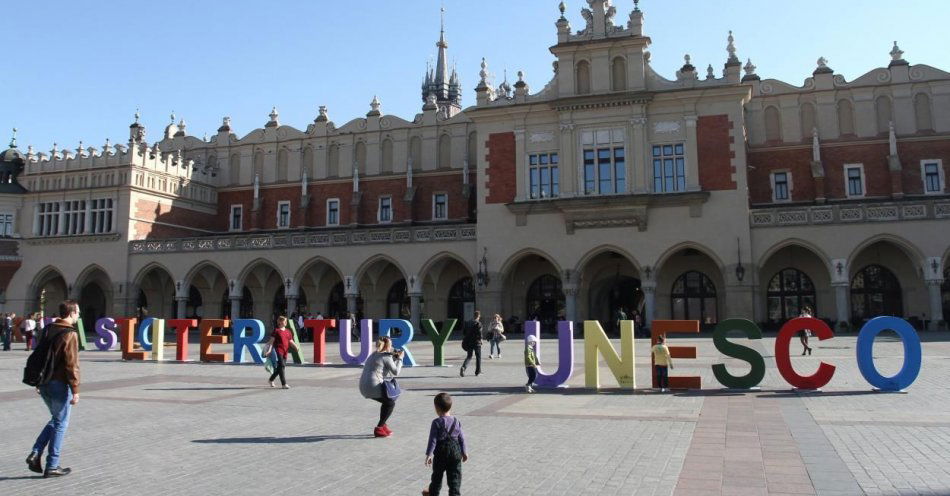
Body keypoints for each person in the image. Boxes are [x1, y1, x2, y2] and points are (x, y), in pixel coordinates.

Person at [27, 300, 81, 478]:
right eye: (78, 312)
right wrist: (76, 389)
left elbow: (40, 355)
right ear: (71, 313)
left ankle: (36, 452)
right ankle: (52, 465)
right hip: (58, 383)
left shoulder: (49, 329)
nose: (79, 315)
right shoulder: (70, 334)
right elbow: (71, 364)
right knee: (61, 423)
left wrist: (37, 381)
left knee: (57, 418)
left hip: (43, 382)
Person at [422, 392, 468, 496]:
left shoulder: (436, 422)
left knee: (437, 477)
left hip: (441, 453)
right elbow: (462, 438)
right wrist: (464, 452)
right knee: (455, 477)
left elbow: (432, 440)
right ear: (450, 407)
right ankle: (455, 494)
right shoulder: (456, 421)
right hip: (455, 453)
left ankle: (433, 493)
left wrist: (429, 454)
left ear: (436, 408)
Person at [359, 337, 404, 437]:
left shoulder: (373, 354)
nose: (392, 347)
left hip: (363, 387)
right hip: (373, 386)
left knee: (386, 401)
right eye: (391, 345)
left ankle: (383, 425)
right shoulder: (386, 357)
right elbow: (396, 371)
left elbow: (382, 363)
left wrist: (394, 358)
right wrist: (400, 359)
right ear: (388, 346)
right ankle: (379, 428)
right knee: (390, 403)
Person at [262, 316, 300, 389]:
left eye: (285, 321)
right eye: (283, 321)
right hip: (278, 350)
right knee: (282, 366)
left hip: (285, 351)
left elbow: (291, 341)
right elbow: (271, 342)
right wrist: (269, 350)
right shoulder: (276, 331)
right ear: (279, 322)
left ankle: (271, 380)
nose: (285, 323)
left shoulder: (288, 331)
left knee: (281, 367)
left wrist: (296, 347)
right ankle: (284, 384)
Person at [459, 311, 483, 377]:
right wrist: (481, 340)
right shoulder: (479, 323)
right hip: (477, 342)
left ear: (473, 315)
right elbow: (480, 333)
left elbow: (464, 332)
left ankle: (463, 367)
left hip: (469, 341)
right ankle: (478, 372)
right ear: (479, 316)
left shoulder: (468, 322)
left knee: (469, 356)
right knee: (478, 357)